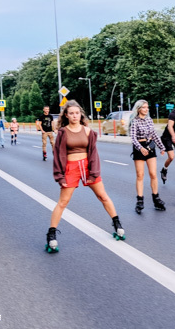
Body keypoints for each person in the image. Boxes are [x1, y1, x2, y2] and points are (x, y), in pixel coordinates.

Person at [47, 100, 125, 253]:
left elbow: (94, 154)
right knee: (63, 202)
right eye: (71, 113)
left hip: (88, 167)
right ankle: (51, 235)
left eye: (77, 113)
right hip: (71, 168)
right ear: (67, 115)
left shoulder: (88, 131)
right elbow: (58, 155)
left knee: (103, 196)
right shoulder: (63, 132)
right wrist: (60, 176)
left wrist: (94, 173)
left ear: (80, 114)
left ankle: (117, 224)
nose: (75, 116)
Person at [129, 99, 167, 214]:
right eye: (144, 107)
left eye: (147, 107)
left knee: (153, 174)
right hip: (139, 147)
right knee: (140, 175)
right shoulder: (134, 121)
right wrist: (140, 148)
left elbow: (154, 135)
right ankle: (140, 200)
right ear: (139, 108)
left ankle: (156, 198)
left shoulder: (149, 120)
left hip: (150, 147)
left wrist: (162, 147)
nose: (146, 109)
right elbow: (133, 137)